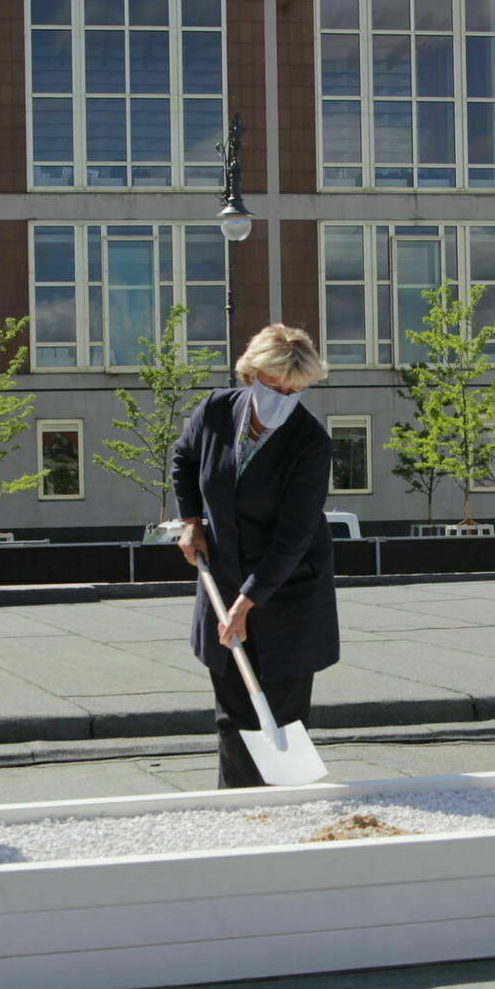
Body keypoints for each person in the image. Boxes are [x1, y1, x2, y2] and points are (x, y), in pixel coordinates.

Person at [172, 325, 338, 788]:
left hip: (288, 589)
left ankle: (283, 807)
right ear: (251, 374)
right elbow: (184, 460)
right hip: (222, 576)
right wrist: (191, 522)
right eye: (274, 385)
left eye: (294, 389)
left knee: (281, 713)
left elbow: (294, 536)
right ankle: (237, 810)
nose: (283, 396)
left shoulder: (310, 442)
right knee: (233, 713)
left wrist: (247, 603)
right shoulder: (216, 411)